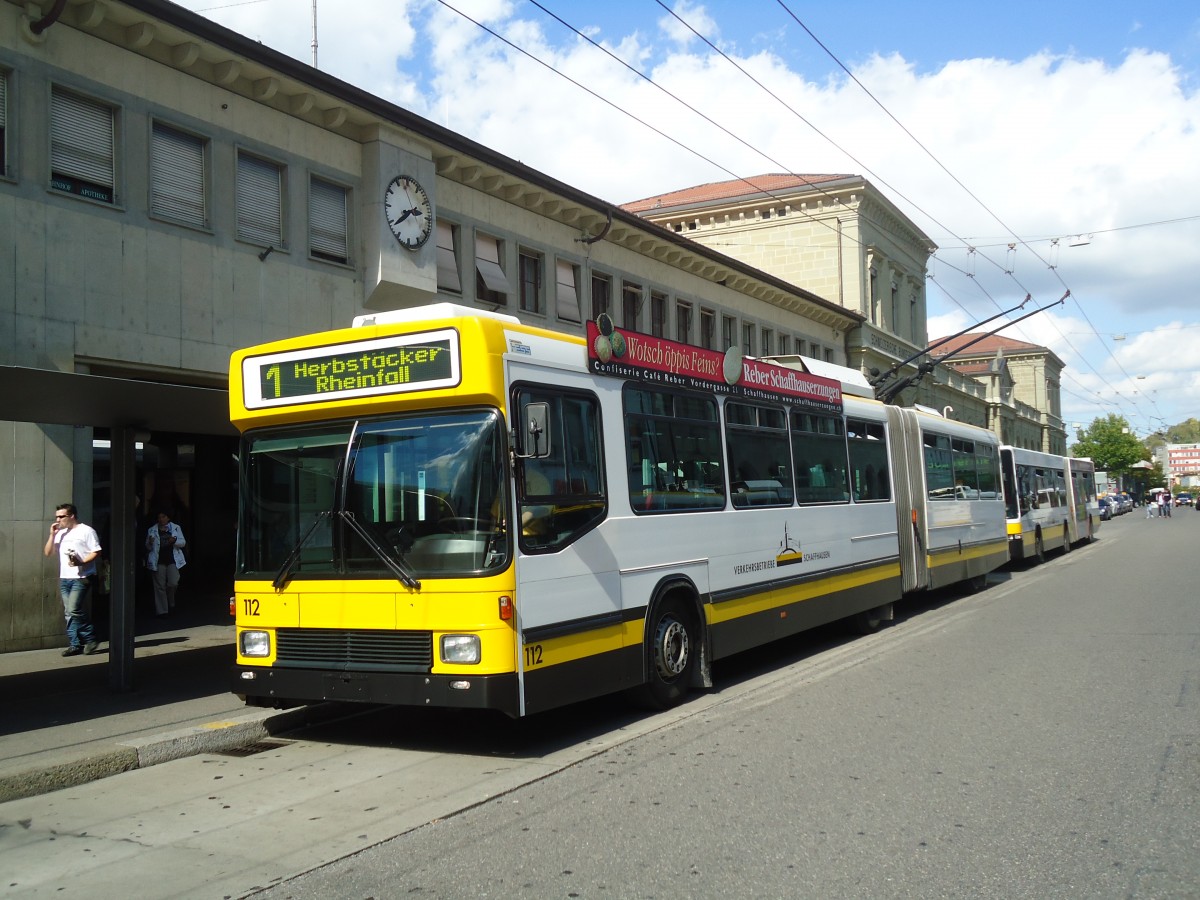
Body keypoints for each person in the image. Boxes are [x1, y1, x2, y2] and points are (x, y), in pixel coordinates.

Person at [43, 502, 101, 657]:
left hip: (82, 577)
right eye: (57, 517)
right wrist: (52, 535)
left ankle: (90, 639)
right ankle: (75, 644)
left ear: (72, 516)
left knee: (73, 608)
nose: (58, 520)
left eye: (61, 516)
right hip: (65, 577)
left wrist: (81, 562)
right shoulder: (60, 533)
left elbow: (96, 551)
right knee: (68, 612)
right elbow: (48, 553)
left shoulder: (86, 531)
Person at [145, 511, 187, 616]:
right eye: (159, 517)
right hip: (158, 560)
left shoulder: (175, 528)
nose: (161, 519)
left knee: (173, 582)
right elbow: (148, 547)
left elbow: (183, 543)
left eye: (163, 517)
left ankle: (170, 600)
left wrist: (174, 541)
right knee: (159, 586)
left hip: (172, 559)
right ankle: (162, 611)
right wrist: (150, 542)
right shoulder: (152, 530)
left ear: (168, 518)